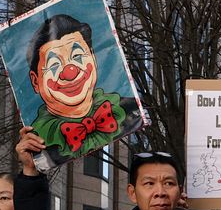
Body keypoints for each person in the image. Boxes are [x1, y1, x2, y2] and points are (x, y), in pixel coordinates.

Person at [13, 128, 221, 210]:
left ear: (179, 190)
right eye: (149, 183)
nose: (160, 192)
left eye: (169, 183)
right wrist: (31, 173)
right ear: (132, 193)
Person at [22, 14, 139, 168]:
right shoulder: (36, 146)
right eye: (54, 64)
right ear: (36, 81)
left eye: (77, 55)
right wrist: (30, 169)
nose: (70, 72)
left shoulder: (131, 111)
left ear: (93, 59)